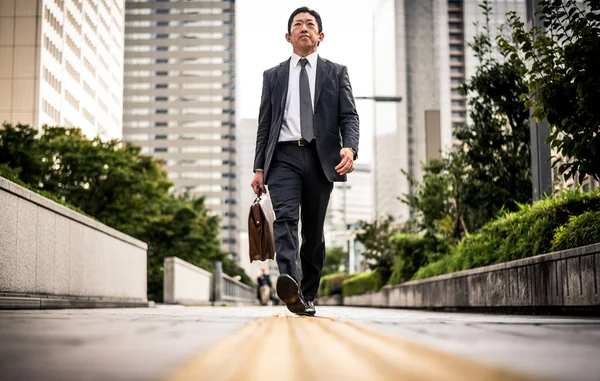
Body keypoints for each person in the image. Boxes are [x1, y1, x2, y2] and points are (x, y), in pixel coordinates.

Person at [251, 6, 359, 316]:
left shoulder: (336, 72)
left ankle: (307, 292)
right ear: (288, 36)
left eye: (310, 24)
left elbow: (349, 115)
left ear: (320, 36)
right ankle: (292, 288)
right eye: (298, 24)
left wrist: (349, 148)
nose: (304, 28)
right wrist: (259, 168)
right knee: (285, 220)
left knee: (313, 232)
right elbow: (264, 123)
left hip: (321, 158)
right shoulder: (272, 76)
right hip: (283, 157)